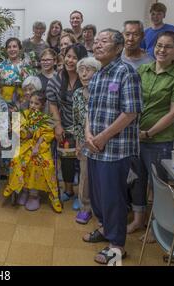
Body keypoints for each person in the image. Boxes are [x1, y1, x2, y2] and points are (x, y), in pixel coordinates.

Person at [82, 29, 143, 265]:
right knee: (97, 197)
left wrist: (103, 137)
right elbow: (90, 110)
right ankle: (105, 230)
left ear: (118, 48)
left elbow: (131, 112)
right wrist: (88, 133)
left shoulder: (126, 72)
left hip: (115, 150)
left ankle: (117, 246)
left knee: (113, 198)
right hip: (94, 147)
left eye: (103, 41)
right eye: (96, 42)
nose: (97, 45)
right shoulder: (97, 75)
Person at [128, 31, 174, 235]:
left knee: (158, 184)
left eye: (168, 47)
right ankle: (139, 219)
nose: (162, 50)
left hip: (159, 140)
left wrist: (148, 133)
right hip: (136, 137)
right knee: (137, 180)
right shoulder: (143, 70)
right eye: (159, 45)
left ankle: (157, 226)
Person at [3, 91, 62, 213]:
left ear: (42, 105)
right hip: (25, 145)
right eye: (31, 102)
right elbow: (21, 133)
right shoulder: (24, 114)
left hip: (41, 147)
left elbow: (47, 135)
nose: (33, 105)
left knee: (41, 163)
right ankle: (23, 190)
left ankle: (34, 194)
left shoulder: (47, 118)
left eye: (37, 103)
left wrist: (37, 146)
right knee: (18, 160)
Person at [46, 44, 87, 210]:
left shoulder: (86, 77)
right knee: (67, 160)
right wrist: (58, 125)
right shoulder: (56, 79)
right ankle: (68, 190)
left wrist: (84, 130)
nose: (70, 60)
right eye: (68, 56)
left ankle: (81, 195)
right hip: (64, 125)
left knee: (82, 163)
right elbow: (53, 103)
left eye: (75, 57)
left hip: (85, 127)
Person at [72, 57, 101, 224]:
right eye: (81, 70)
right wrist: (78, 143)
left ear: (97, 72)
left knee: (102, 177)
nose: (84, 73)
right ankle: (85, 208)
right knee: (85, 176)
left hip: (103, 140)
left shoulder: (102, 91)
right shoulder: (77, 94)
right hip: (84, 142)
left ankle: (102, 211)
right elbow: (76, 121)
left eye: (88, 69)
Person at [0, 38, 33, 106]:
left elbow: (31, 87)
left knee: (17, 117)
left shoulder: (27, 66)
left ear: (20, 49)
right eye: (9, 47)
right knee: (3, 116)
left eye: (14, 46)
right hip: (2, 101)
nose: (12, 49)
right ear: (6, 50)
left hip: (22, 101)